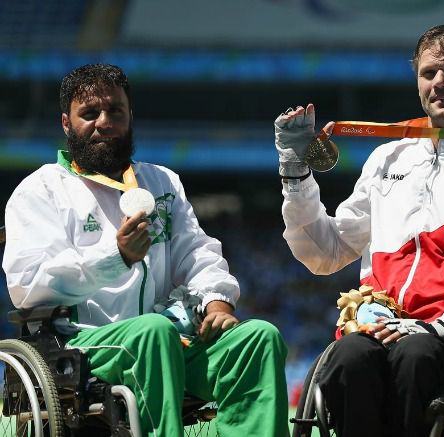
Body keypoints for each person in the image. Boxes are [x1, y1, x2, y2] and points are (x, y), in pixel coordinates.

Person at [274, 24, 444, 436]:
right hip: (376, 326)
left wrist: (439, 326)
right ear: (417, 81)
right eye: (429, 73)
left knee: (415, 353)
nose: (440, 83)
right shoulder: (386, 158)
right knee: (348, 356)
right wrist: (296, 173)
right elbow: (326, 252)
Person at [2, 64, 288, 436]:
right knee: (153, 333)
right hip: (80, 342)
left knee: (258, 338)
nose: (104, 122)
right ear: (66, 124)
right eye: (89, 114)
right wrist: (114, 256)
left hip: (170, 339)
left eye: (115, 112)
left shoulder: (161, 182)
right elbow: (28, 285)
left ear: (130, 117)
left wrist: (216, 300)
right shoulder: (40, 190)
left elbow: (196, 253)